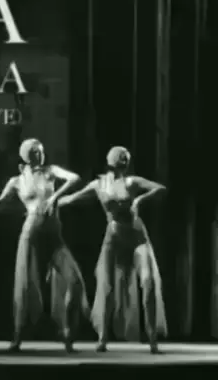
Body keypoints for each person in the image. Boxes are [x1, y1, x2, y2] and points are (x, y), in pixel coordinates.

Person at [0, 138, 88, 352]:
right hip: (31, 233)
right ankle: (17, 337)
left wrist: (55, 197)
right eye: (35, 152)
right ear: (26, 156)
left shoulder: (50, 171)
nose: (39, 155)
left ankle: (68, 333)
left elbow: (74, 178)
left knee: (75, 281)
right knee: (24, 286)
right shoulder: (16, 181)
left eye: (40, 151)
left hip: (53, 236)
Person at [57, 146, 167, 353]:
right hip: (114, 237)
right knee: (106, 286)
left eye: (125, 161)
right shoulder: (99, 184)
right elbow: (73, 198)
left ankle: (152, 339)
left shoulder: (131, 182)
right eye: (120, 160)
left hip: (137, 236)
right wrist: (50, 202)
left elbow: (160, 188)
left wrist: (139, 199)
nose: (123, 164)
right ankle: (102, 338)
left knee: (148, 282)